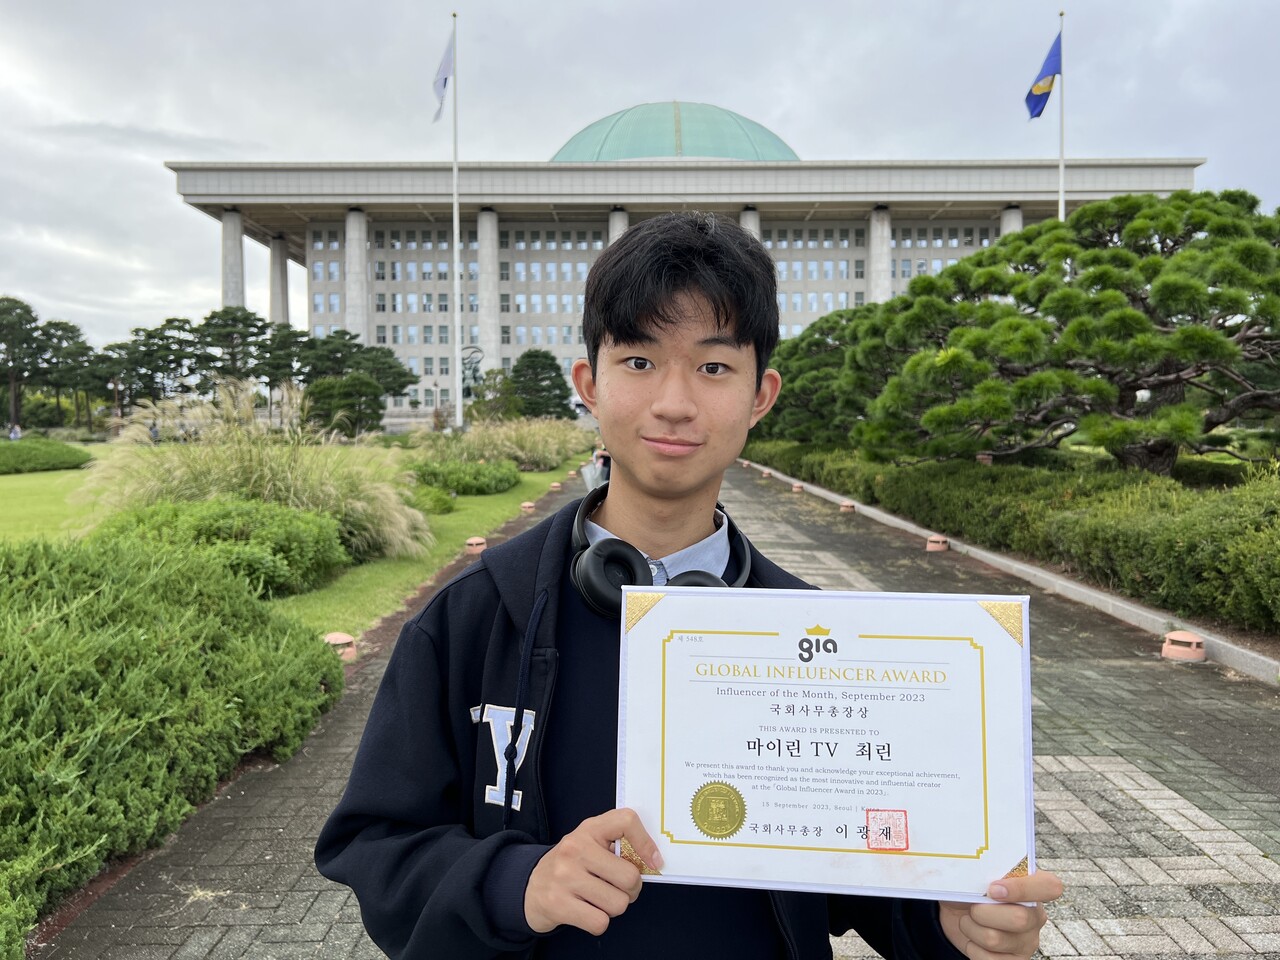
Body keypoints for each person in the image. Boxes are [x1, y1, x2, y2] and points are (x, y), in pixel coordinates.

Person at [315, 213, 1062, 959]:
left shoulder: (818, 638)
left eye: (713, 367)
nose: (674, 402)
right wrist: (516, 883)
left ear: (761, 394)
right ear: (590, 384)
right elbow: (376, 844)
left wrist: (959, 926)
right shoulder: (476, 615)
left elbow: (870, 875)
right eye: (639, 361)